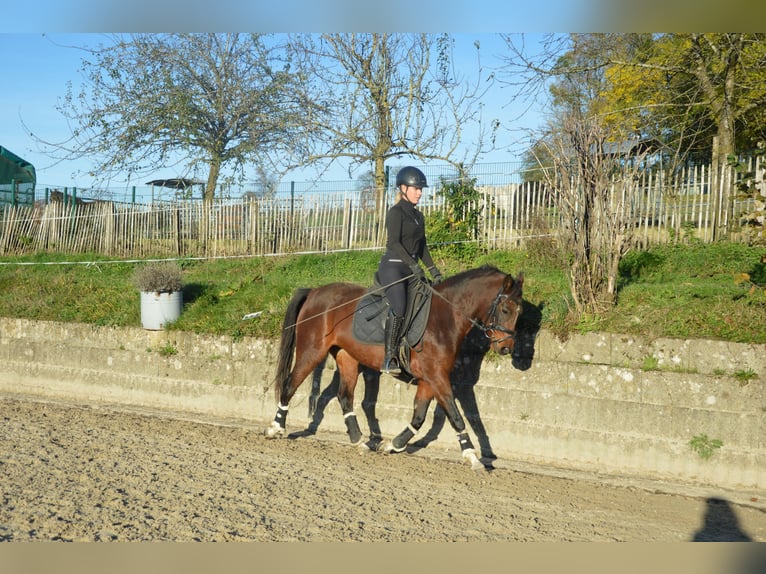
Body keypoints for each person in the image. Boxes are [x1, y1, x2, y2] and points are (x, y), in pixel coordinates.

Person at [377, 166, 443, 375]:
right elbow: (394, 243)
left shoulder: (418, 216)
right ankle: (389, 358)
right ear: (403, 188)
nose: (420, 192)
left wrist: (434, 271)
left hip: (412, 269)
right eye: (416, 188)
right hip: (393, 267)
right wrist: (413, 266)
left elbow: (421, 246)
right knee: (400, 305)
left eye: (421, 189)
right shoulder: (395, 213)